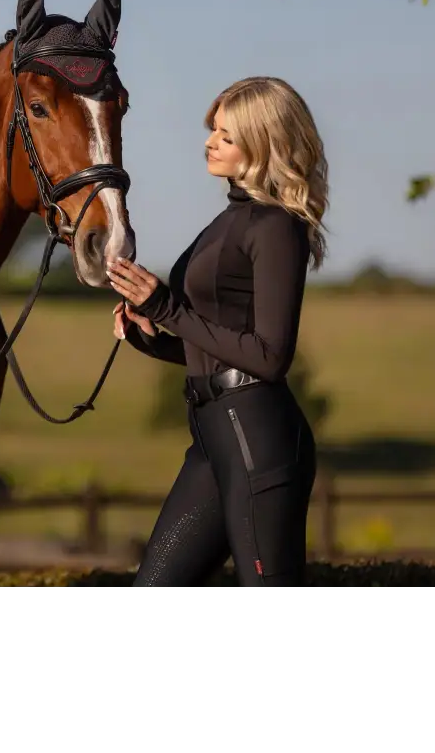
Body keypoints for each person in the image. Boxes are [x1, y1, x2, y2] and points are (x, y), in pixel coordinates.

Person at [106, 76, 328, 593]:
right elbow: (216, 345)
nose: (210, 141)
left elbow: (270, 357)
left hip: (259, 439)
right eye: (213, 129)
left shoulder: (274, 227)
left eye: (226, 136)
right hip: (211, 440)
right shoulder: (228, 220)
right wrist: (150, 336)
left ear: (262, 143)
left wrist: (164, 306)